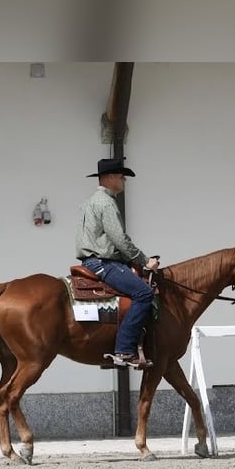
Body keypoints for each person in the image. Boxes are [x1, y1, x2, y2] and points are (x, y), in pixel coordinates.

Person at [76, 157, 160, 368]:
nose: (124, 180)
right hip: (103, 262)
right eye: (122, 176)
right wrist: (144, 261)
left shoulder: (89, 201)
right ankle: (123, 350)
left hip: (91, 260)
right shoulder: (106, 203)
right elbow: (119, 239)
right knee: (144, 293)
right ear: (111, 177)